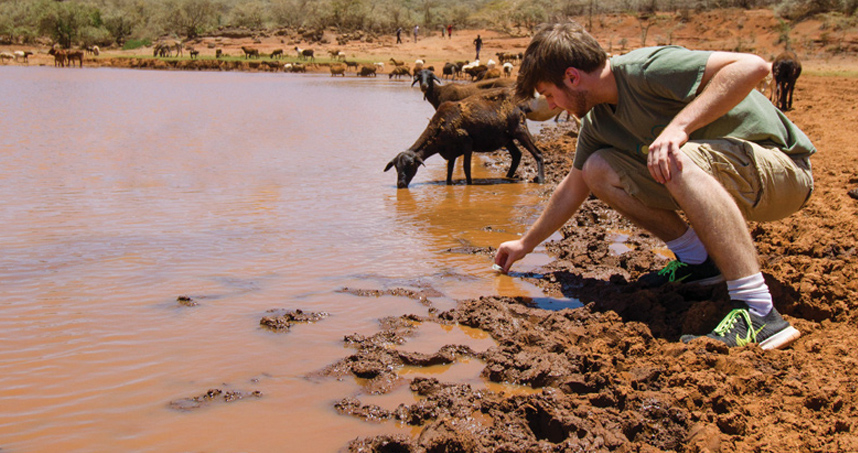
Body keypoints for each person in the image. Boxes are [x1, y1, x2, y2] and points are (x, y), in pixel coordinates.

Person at [494, 21, 815, 350]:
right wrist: (525, 244)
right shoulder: (598, 120)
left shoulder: (646, 69)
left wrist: (679, 128)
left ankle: (758, 309)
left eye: (550, 93)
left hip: (783, 172)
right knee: (597, 168)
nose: (551, 105)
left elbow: (754, 66)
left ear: (572, 77)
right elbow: (573, 187)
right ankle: (698, 263)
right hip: (727, 179)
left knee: (676, 156)